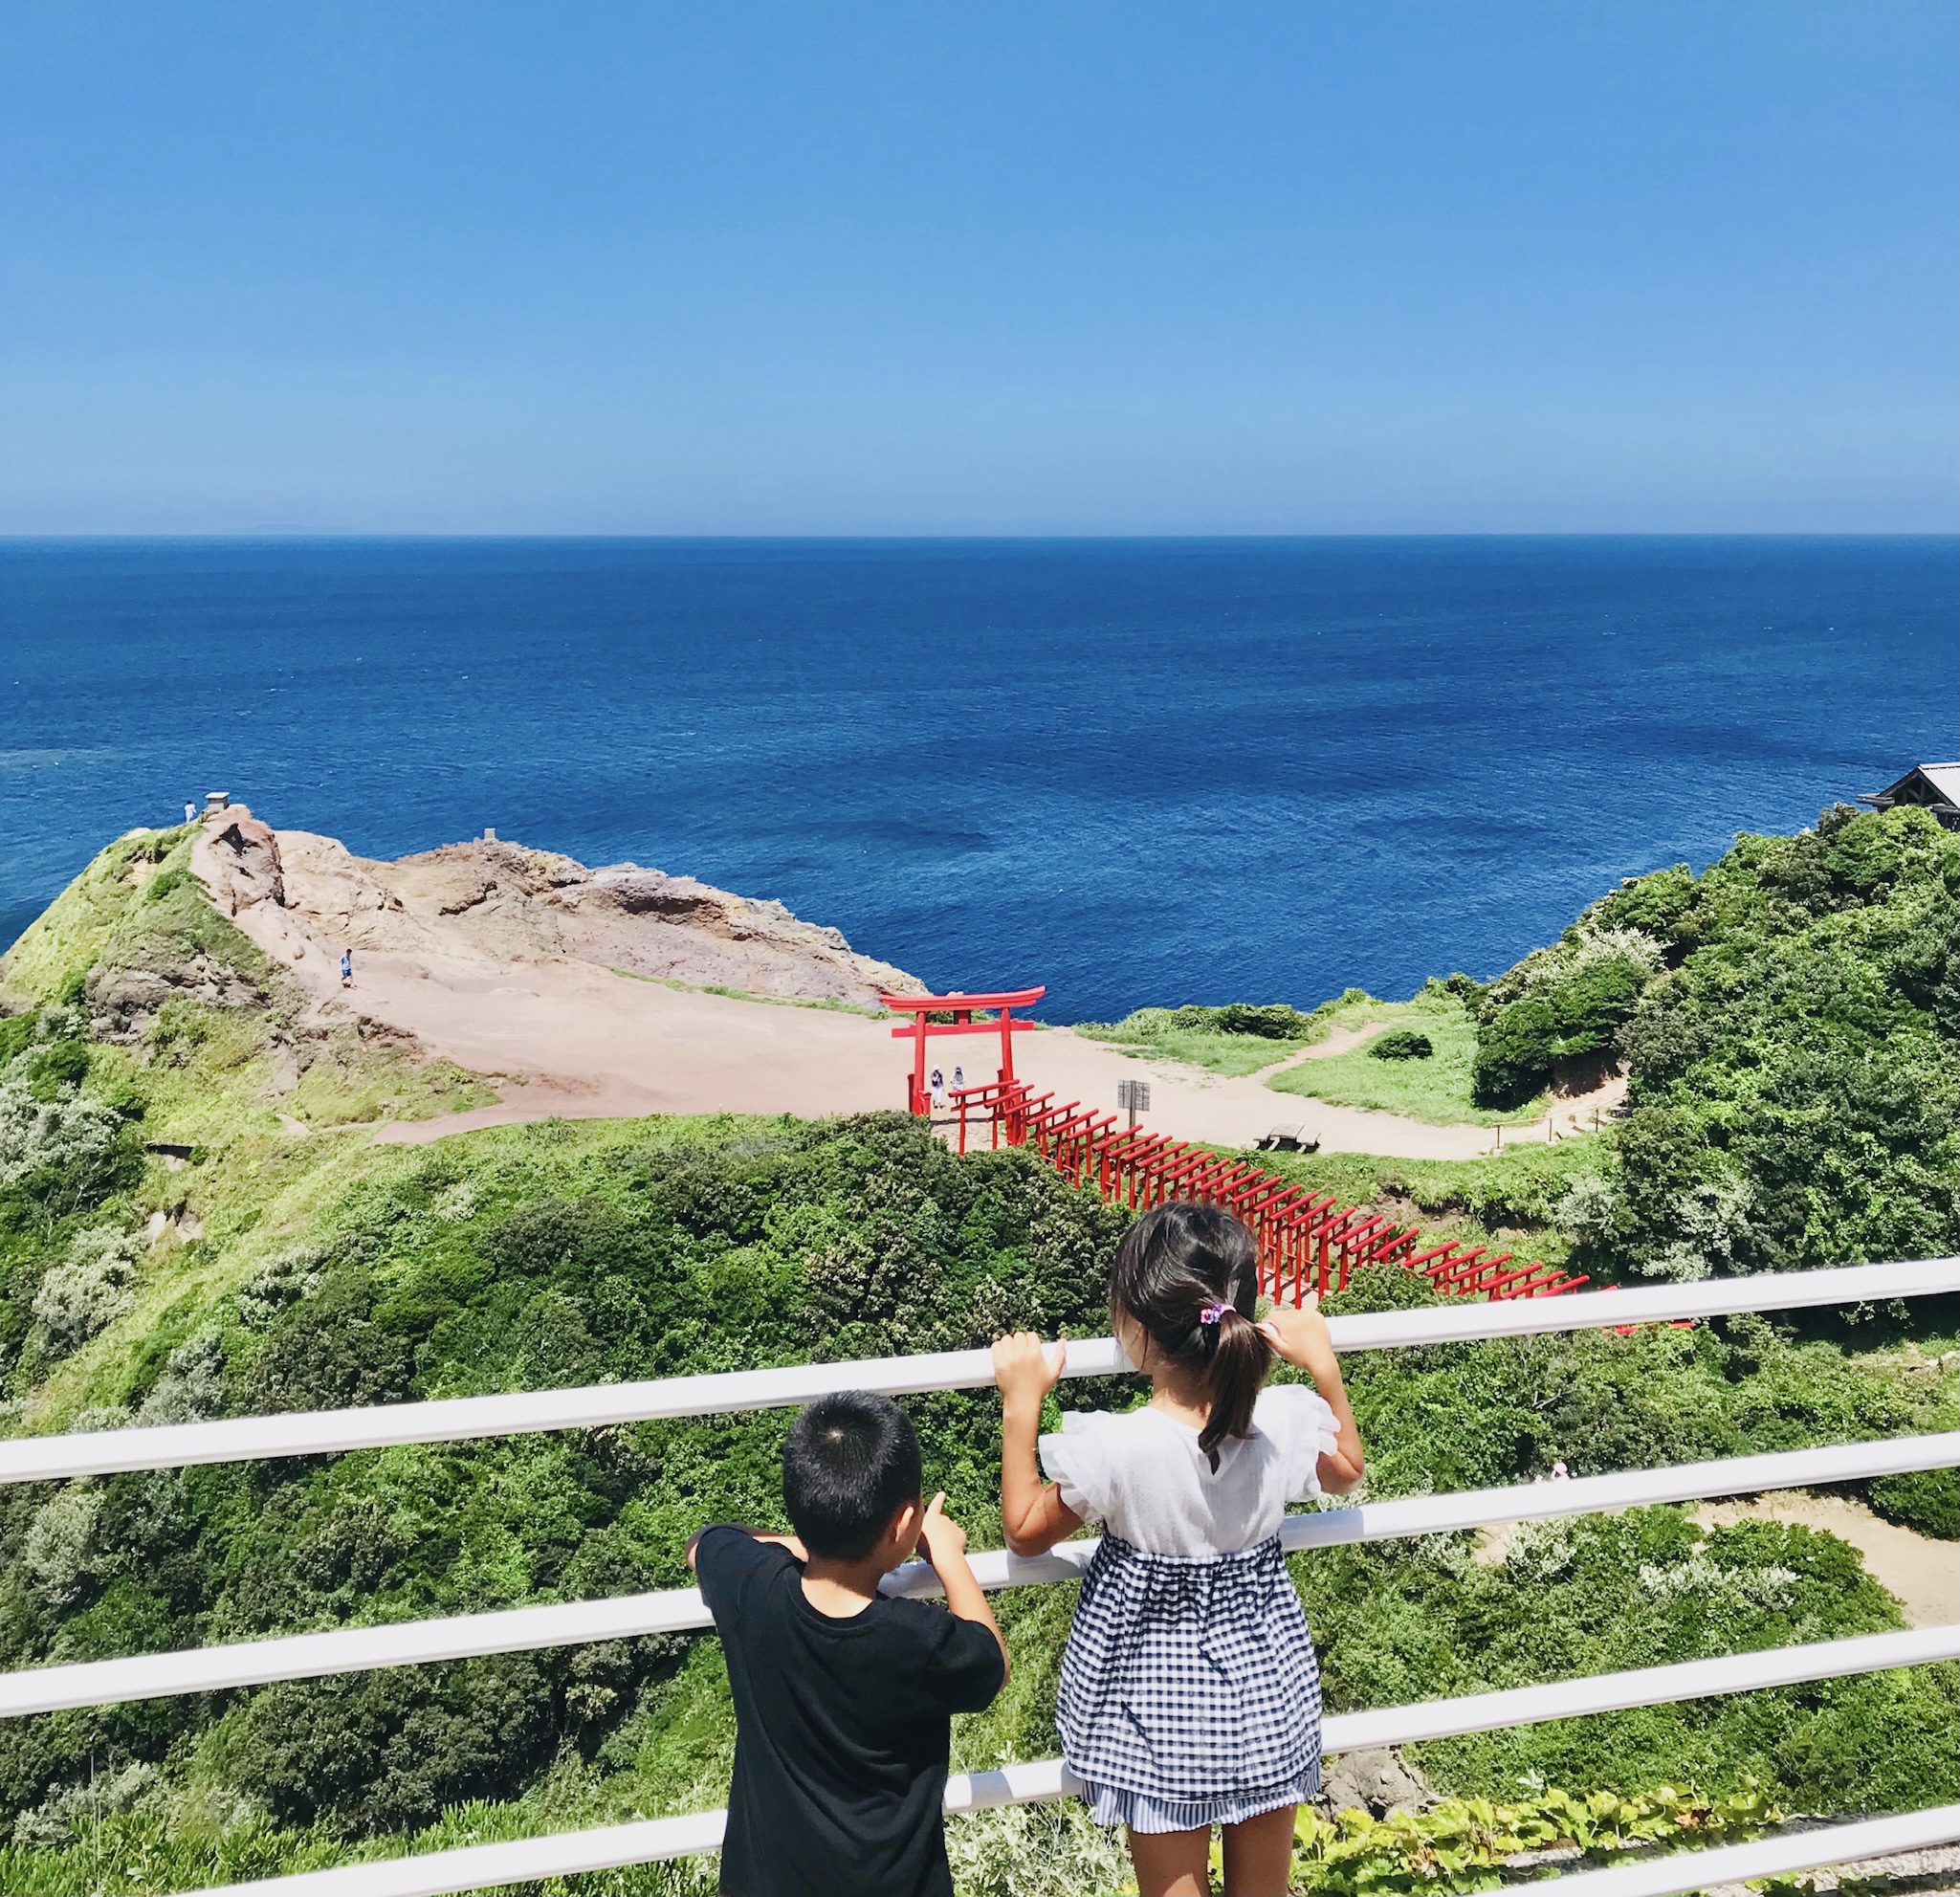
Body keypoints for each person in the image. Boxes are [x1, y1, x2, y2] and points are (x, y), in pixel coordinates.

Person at [993, 1203, 1364, 1897]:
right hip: (1265, 1689)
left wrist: (1021, 1403)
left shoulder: (1116, 1446)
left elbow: (1022, 1527)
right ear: (1242, 1314)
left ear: (1136, 1325)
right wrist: (1322, 1363)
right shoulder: (1279, 1419)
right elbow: (1345, 1464)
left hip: (1155, 1706)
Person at [689, 1392, 1008, 1897]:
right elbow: (991, 1659)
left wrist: (803, 1545)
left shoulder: (753, 1587)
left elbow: (708, 1539)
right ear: (905, 1524)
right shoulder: (915, 1638)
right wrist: (947, 1554)